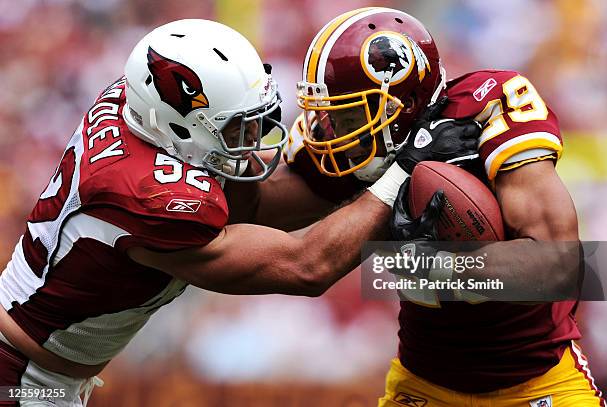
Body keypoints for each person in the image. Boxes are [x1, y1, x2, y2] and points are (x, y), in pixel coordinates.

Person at [0, 18, 460, 407]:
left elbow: (253, 203)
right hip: (21, 377)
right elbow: (306, 266)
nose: (252, 138)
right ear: (180, 126)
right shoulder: (144, 195)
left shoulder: (143, 107)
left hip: (41, 369)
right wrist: (403, 171)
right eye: (237, 126)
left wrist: (365, 164)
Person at [276, 7, 606, 407]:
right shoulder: (364, 147)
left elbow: (561, 266)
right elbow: (263, 222)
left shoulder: (484, 108)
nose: (336, 133)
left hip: (539, 383)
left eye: (348, 115)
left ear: (403, 103)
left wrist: (436, 265)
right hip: (423, 385)